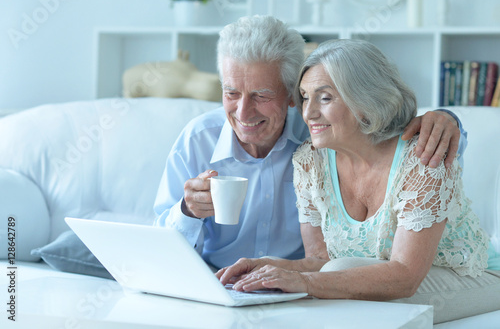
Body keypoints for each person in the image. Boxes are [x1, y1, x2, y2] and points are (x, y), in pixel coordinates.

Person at [216, 39, 500, 323]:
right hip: (380, 272)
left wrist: (306, 282)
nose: (308, 112)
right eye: (305, 97)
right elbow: (320, 261)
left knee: (335, 276)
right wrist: (273, 267)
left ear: (365, 100)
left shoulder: (421, 157)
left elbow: (405, 276)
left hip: (477, 276)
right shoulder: (309, 162)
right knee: (333, 274)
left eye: (324, 98)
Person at [154, 15, 466, 271]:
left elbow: (406, 148)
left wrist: (447, 118)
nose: (243, 111)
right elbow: (158, 247)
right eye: (231, 93)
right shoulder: (197, 139)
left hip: (297, 283)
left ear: (292, 94)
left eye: (261, 96)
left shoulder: (321, 131)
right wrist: (186, 211)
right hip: (214, 280)